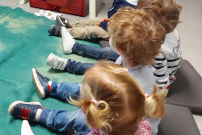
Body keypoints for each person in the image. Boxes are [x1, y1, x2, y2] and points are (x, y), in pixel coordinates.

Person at [11, 8, 166, 134]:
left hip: (118, 125)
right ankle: (51, 87)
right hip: (117, 115)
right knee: (87, 88)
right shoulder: (134, 64)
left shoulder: (135, 82)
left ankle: (41, 114)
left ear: (119, 49)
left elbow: (103, 117)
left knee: (78, 117)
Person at [47, 0, 182, 92]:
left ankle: (71, 65)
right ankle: (74, 48)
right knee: (109, 56)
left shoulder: (158, 51)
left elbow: (161, 83)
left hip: (149, 77)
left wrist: (153, 96)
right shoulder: (167, 32)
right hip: (143, 61)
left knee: (107, 66)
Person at [49, 0, 140, 53]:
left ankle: (65, 32)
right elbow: (119, 20)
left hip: (117, 34)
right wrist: (109, 20)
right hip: (113, 24)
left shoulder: (125, 7)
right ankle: (70, 24)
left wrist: (103, 24)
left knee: (92, 30)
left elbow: (119, 27)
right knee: (94, 20)